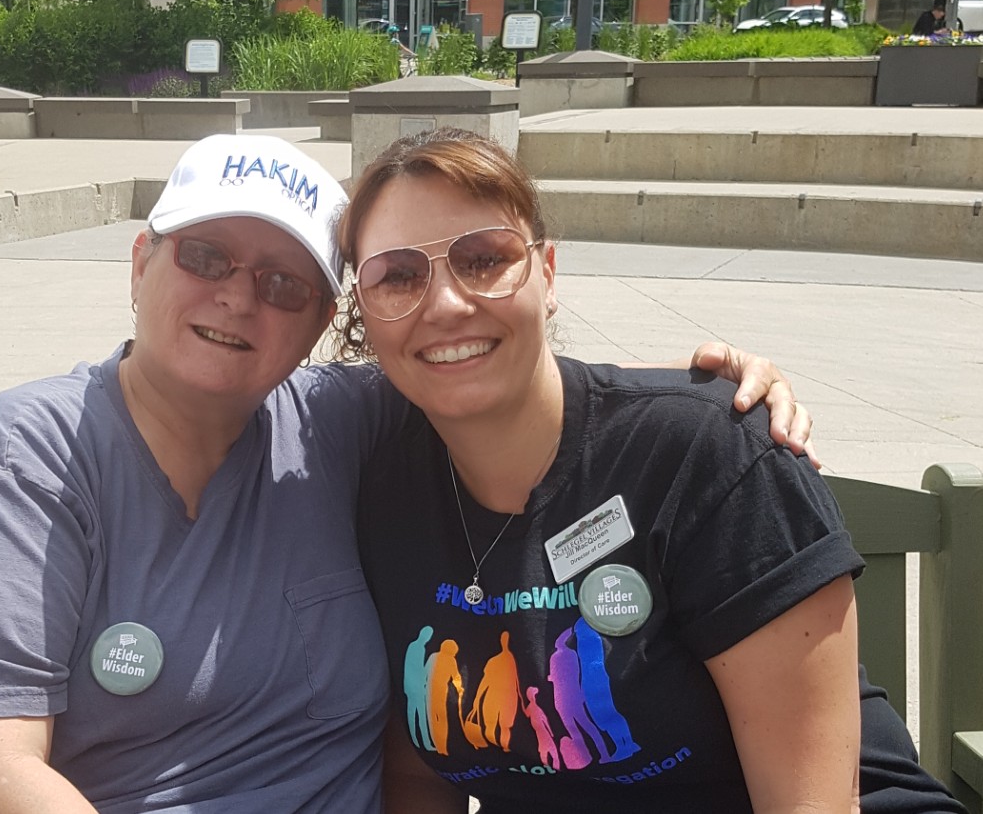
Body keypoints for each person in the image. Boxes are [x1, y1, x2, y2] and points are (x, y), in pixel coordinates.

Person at [0, 132, 812, 813]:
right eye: (206, 255)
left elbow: (486, 359)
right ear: (139, 263)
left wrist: (704, 395)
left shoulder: (343, 425)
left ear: (318, 324)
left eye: (286, 282)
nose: (240, 298)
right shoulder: (10, 471)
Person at [343, 127, 966, 814]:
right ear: (363, 314)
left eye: (483, 258)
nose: (445, 303)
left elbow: (811, 805)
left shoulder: (703, 455)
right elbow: (416, 775)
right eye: (398, 274)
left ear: (546, 274)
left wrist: (694, 395)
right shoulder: (382, 490)